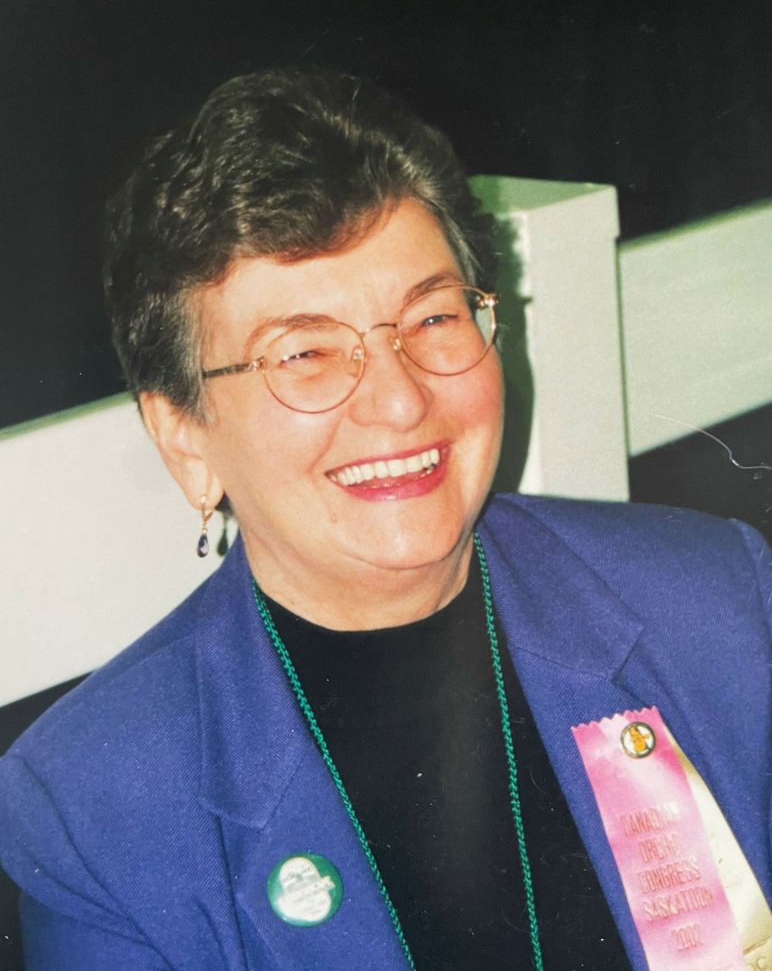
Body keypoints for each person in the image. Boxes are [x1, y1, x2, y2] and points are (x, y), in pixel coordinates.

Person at [0, 67, 769, 971]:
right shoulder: (98, 808)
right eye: (306, 353)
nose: (401, 402)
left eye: (432, 318)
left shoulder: (714, 605)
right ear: (186, 439)